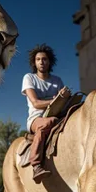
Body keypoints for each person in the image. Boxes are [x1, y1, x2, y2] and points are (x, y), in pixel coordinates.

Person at [22, 44, 71, 183]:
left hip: (58, 115)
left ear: (49, 62)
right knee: (48, 123)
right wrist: (57, 98)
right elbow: (36, 103)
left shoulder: (57, 81)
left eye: (44, 59)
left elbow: (63, 103)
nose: (41, 62)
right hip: (36, 118)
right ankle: (36, 165)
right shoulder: (29, 78)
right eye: (38, 59)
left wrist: (67, 98)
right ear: (34, 62)